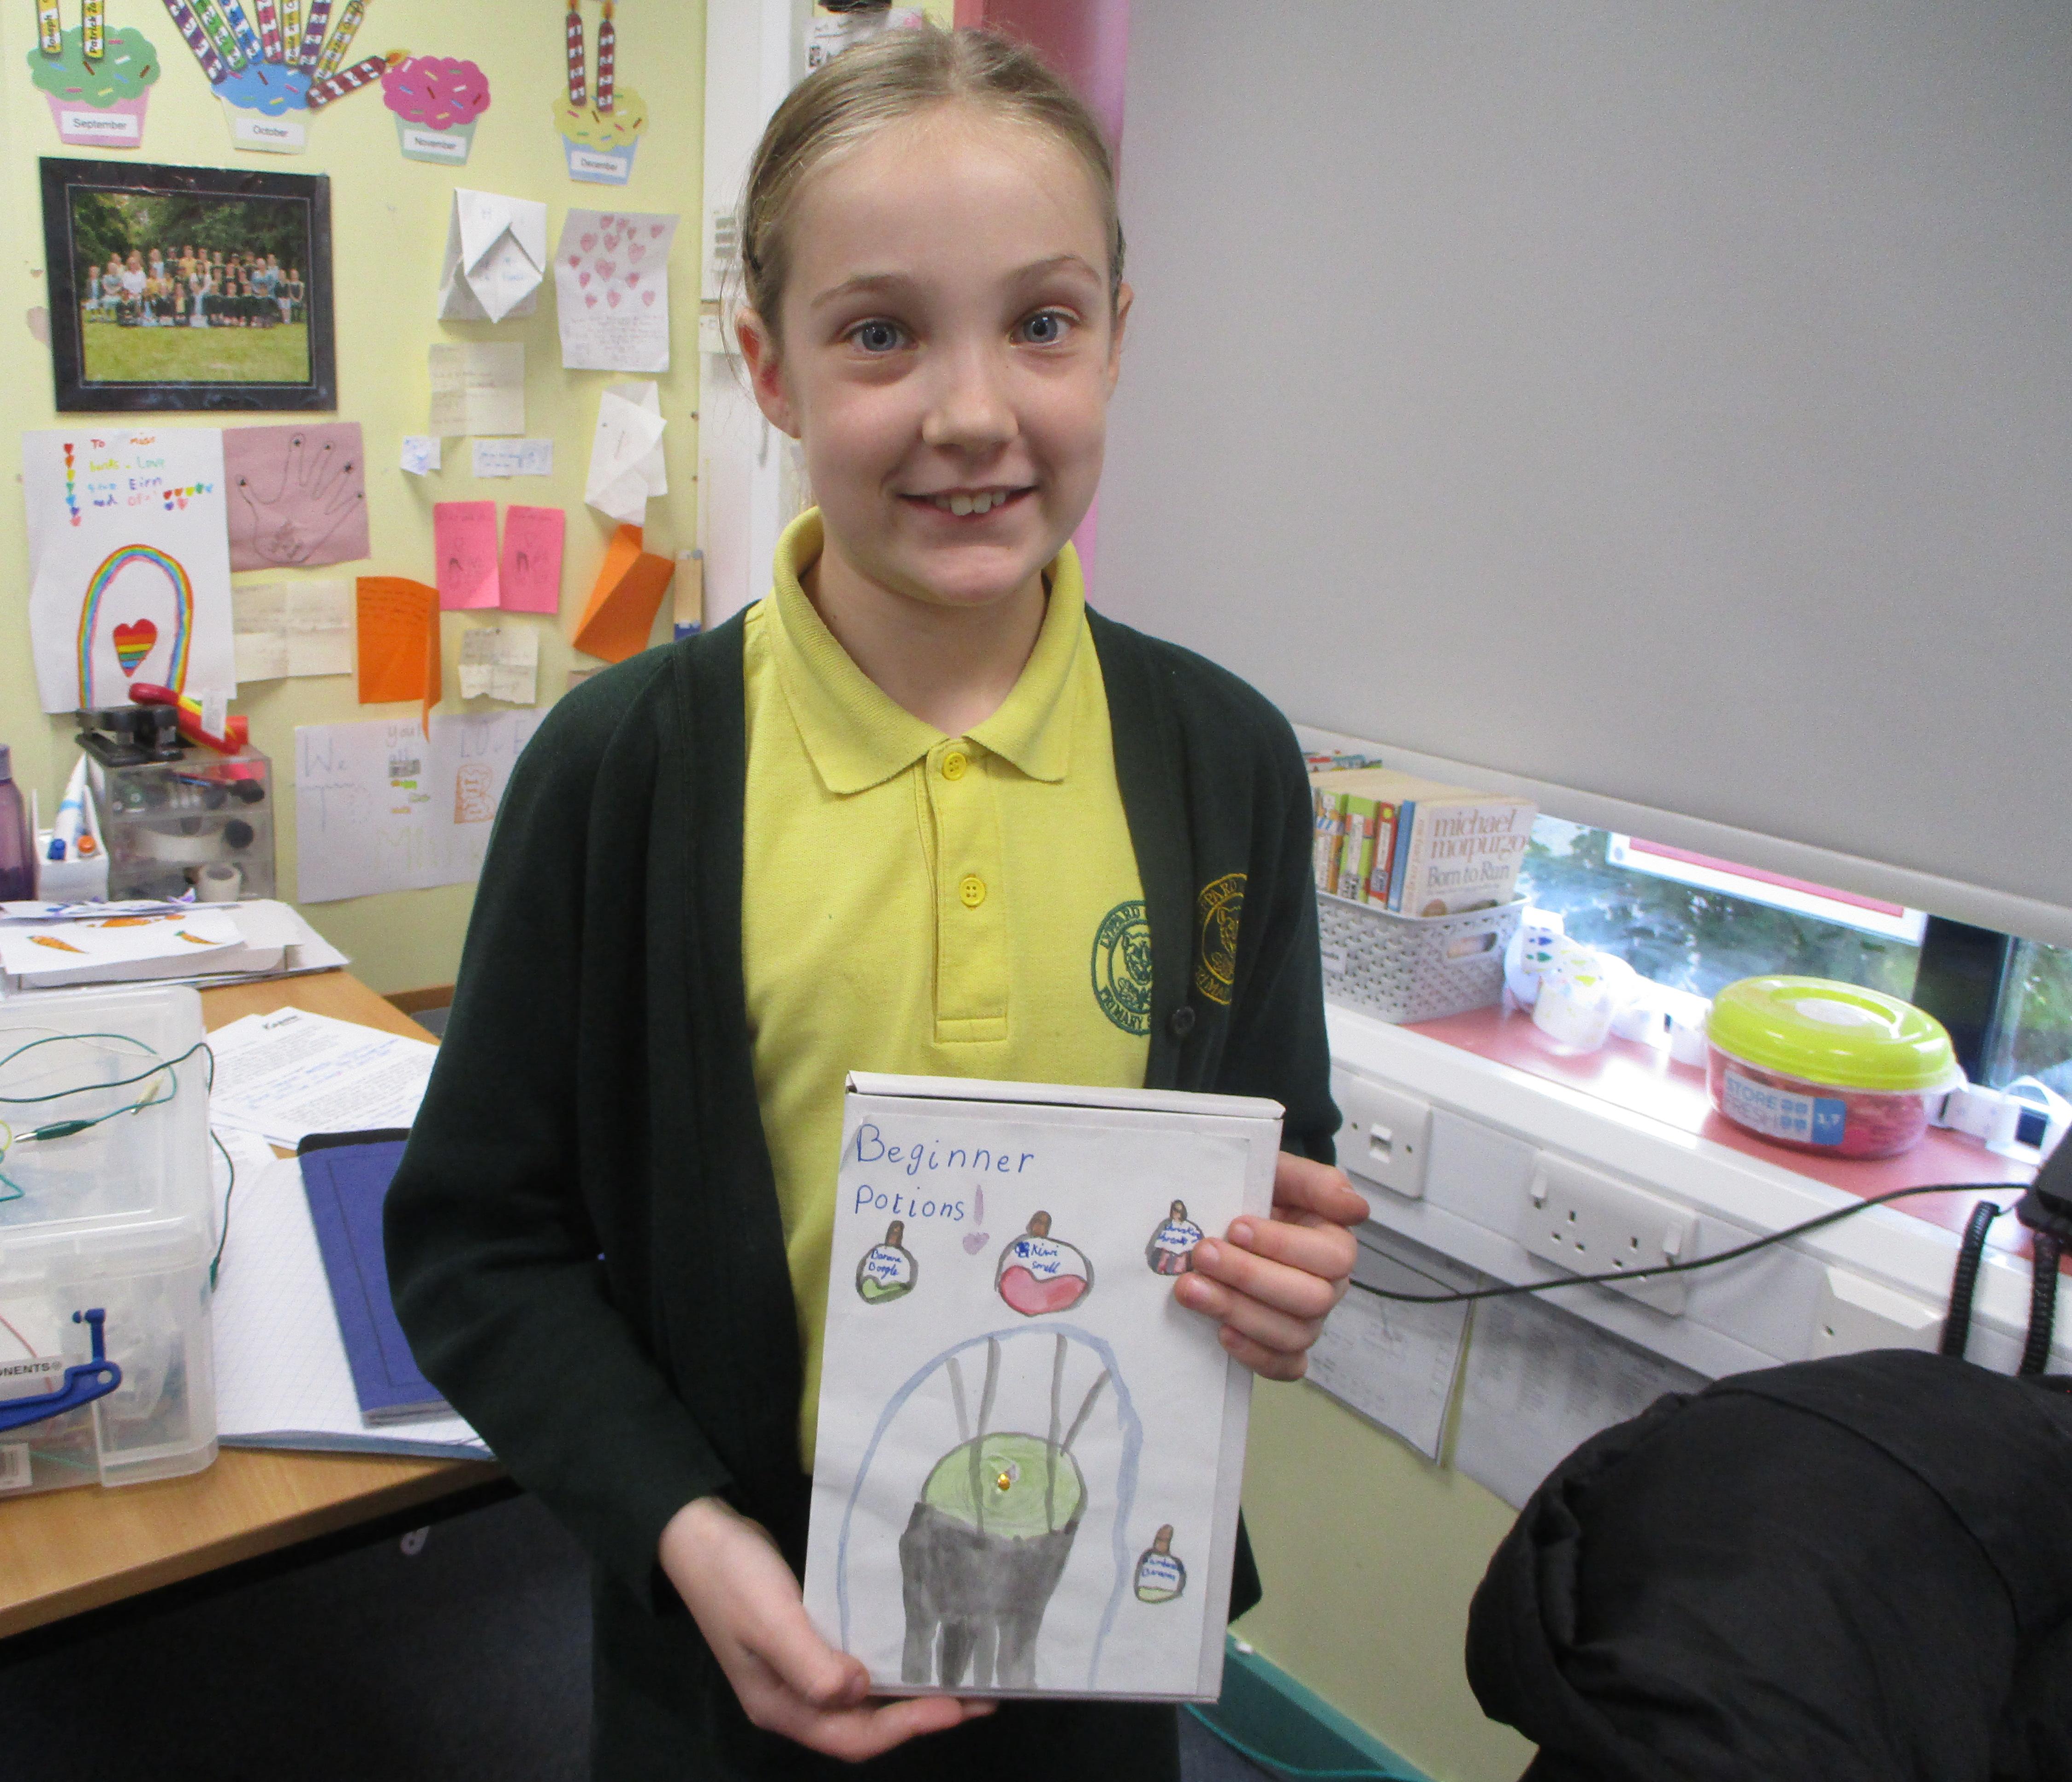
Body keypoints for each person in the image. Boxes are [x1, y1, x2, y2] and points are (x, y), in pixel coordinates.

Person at [385, 27, 1364, 1782]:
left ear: (1118, 340)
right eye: (882, 334)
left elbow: (1276, 1151)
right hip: (730, 1665)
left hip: (1091, 1653)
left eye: (1042, 322)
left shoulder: (1225, 762)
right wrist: (686, 1534)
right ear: (768, 366)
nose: (973, 413)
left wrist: (1285, 1278)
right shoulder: (622, 776)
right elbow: (478, 1243)